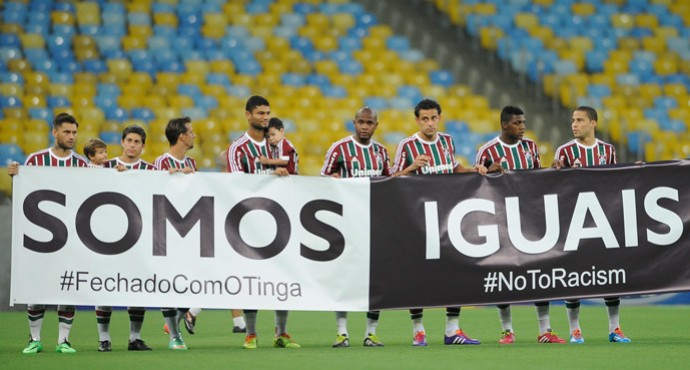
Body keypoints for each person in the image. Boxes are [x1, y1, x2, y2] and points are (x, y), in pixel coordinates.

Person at [392, 98, 485, 347]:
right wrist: (411, 167)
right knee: (417, 276)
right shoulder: (407, 146)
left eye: (433, 118)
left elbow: (454, 168)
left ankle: (452, 330)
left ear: (439, 118)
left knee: (454, 272)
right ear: (417, 120)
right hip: (418, 221)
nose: (429, 123)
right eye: (424, 119)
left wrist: (474, 170)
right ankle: (418, 330)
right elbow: (392, 181)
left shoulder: (447, 141)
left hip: (448, 218)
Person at [475, 105, 565, 344]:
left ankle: (545, 330)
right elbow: (478, 184)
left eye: (524, 122)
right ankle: (507, 330)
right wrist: (488, 172)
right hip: (501, 222)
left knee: (540, 273)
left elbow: (537, 180)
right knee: (503, 275)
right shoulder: (488, 150)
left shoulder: (531, 147)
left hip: (530, 219)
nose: (523, 126)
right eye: (517, 123)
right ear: (505, 125)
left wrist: (552, 170)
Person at [7, 112, 88, 354]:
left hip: (71, 236)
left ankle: (63, 341)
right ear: (54, 132)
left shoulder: (81, 164)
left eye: (74, 132)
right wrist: (15, 177)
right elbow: (25, 192)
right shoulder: (35, 160)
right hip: (41, 235)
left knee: (68, 288)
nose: (71, 136)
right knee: (37, 287)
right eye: (66, 132)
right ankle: (34, 339)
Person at [552, 106, 631, 344]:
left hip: (603, 220)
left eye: (579, 120)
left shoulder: (607, 150)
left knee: (610, 275)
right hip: (574, 223)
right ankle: (575, 330)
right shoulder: (564, 151)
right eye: (573, 120)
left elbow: (614, 180)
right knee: (574, 276)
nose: (574, 124)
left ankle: (615, 328)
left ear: (593, 123)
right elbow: (554, 188)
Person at [226, 95, 298, 349]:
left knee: (283, 277)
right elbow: (237, 185)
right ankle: (251, 334)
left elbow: (295, 179)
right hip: (249, 223)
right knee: (251, 278)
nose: (265, 117)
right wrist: (271, 174)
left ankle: (282, 332)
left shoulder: (279, 146)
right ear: (248, 115)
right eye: (260, 113)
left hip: (279, 220)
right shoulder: (238, 149)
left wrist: (286, 175)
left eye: (268, 113)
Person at [321, 107, 391, 348]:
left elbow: (388, 185)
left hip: (374, 226)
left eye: (369, 122)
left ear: (376, 125)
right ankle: (342, 332)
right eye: (360, 122)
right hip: (345, 225)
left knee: (376, 281)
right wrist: (332, 182)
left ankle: (371, 333)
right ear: (354, 123)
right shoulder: (339, 149)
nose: (364, 126)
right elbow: (323, 181)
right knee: (345, 279)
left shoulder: (381, 152)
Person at [90, 125, 155, 352]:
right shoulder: (103, 166)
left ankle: (134, 338)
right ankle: (104, 338)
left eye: (137, 141)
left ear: (143, 146)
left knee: (138, 287)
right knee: (105, 287)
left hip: (138, 238)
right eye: (129, 140)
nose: (132, 145)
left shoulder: (151, 169)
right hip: (106, 237)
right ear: (122, 142)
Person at [153, 117, 198, 350]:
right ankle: (174, 335)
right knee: (168, 283)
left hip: (189, 230)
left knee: (196, 280)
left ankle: (175, 324)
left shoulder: (192, 162)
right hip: (165, 231)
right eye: (190, 131)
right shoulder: (160, 163)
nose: (194, 135)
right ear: (181, 136)